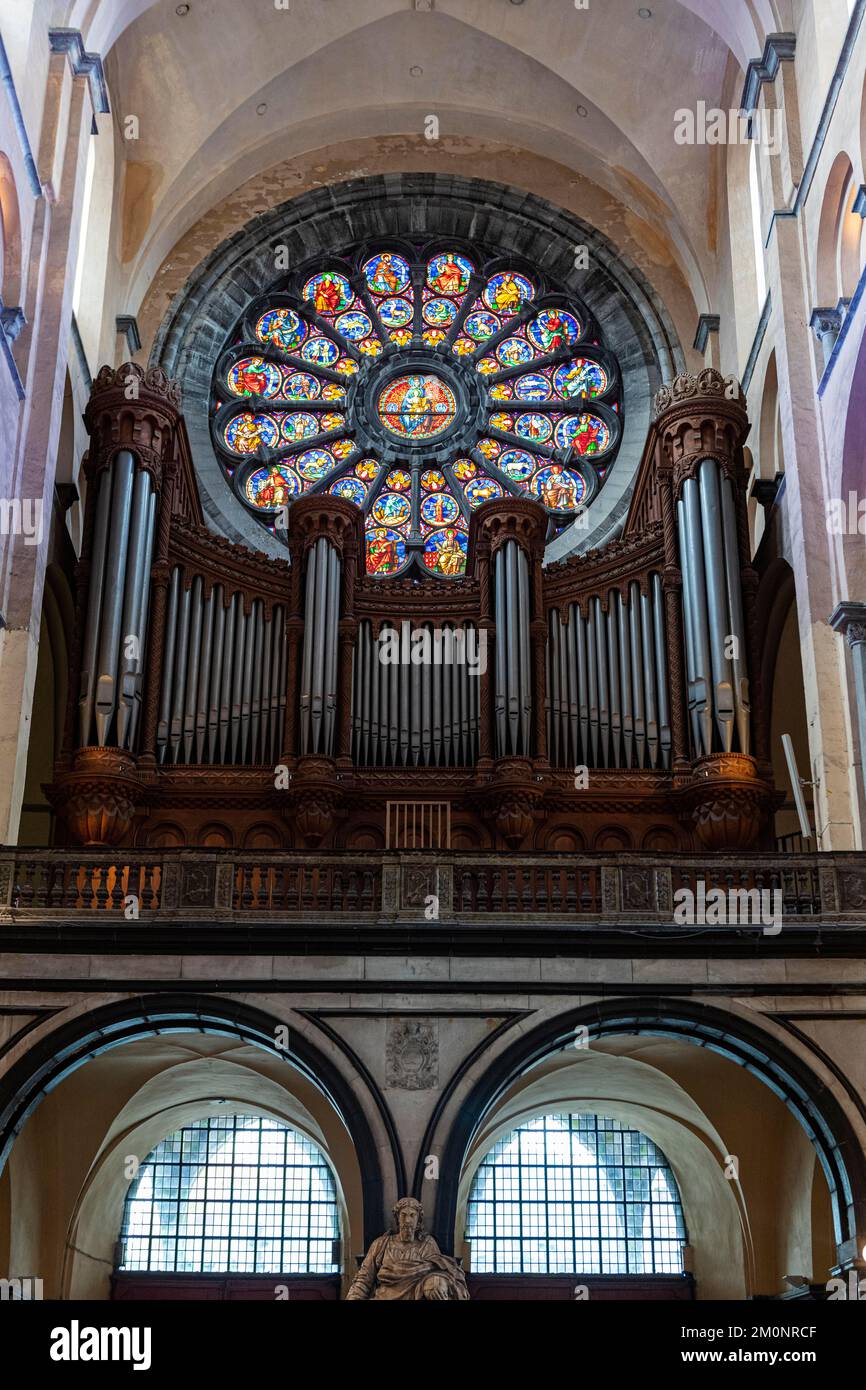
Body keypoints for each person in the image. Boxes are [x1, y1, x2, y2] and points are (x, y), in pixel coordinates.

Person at [345, 1197, 469, 1300]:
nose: (407, 1220)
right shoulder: (381, 1244)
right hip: (383, 1297)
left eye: (412, 1215)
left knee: (435, 1285)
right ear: (397, 1219)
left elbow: (441, 1270)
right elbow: (364, 1280)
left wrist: (434, 1280)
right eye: (403, 1215)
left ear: (418, 1220)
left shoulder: (427, 1244)